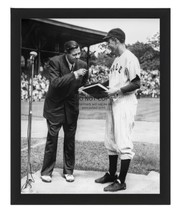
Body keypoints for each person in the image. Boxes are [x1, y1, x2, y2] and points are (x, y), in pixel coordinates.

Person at [95, 28, 141, 191]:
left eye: (108, 41)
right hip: (113, 101)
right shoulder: (116, 60)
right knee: (110, 139)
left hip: (125, 102)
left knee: (123, 141)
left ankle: (121, 182)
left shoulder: (130, 58)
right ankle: (112, 173)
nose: (107, 44)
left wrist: (118, 90)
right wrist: (93, 88)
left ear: (115, 40)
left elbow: (136, 83)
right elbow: (112, 81)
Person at [41, 40, 88, 183]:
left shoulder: (83, 65)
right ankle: (47, 172)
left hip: (72, 107)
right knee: (52, 139)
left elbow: (84, 81)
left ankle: (69, 171)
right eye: (74, 54)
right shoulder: (54, 62)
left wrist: (82, 88)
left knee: (70, 140)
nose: (78, 56)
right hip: (55, 107)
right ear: (66, 53)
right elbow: (55, 83)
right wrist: (74, 74)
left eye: (79, 53)